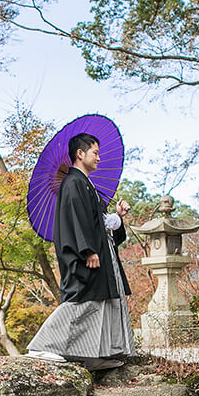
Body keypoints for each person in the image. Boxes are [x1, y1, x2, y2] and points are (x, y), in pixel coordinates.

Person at [28, 132, 134, 370]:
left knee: (100, 302)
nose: (98, 158)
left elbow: (97, 221)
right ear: (80, 154)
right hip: (84, 255)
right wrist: (87, 250)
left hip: (99, 254)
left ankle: (92, 354)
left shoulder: (86, 184)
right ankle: (43, 345)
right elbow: (76, 219)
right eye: (95, 152)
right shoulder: (73, 182)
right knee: (81, 300)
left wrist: (118, 216)